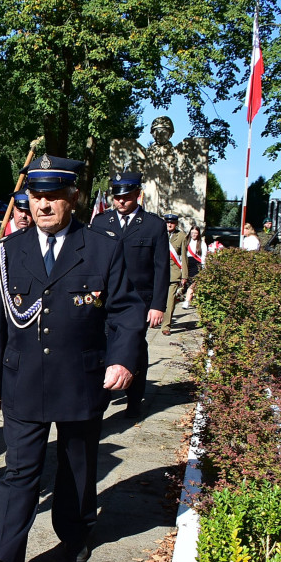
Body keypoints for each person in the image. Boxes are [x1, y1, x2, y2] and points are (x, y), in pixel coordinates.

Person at [0, 154, 144, 562]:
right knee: (19, 470)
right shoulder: (9, 250)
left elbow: (126, 310)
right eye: (35, 197)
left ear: (72, 198)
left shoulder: (102, 247)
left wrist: (123, 360)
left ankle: (75, 530)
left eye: (52, 197)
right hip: (23, 379)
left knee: (76, 465)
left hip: (81, 377)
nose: (42, 205)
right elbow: (0, 322)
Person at [90, 172, 167, 419]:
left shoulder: (154, 225)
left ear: (137, 194)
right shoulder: (101, 223)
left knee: (134, 349)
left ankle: (134, 401)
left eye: (126, 196)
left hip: (139, 302)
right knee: (100, 348)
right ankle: (99, 399)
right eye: (117, 196)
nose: (121, 201)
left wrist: (158, 305)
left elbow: (161, 268)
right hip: (105, 299)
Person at [161, 214, 188, 335]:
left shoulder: (181, 236)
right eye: (167, 222)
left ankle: (166, 326)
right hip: (159, 273)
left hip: (173, 274)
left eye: (172, 223)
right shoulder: (159, 234)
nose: (169, 225)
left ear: (176, 224)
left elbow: (183, 257)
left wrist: (184, 276)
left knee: (170, 301)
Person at [183, 224, 207, 309]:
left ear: (198, 234)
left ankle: (187, 301)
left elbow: (204, 255)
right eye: (192, 233)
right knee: (188, 283)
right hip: (188, 264)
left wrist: (203, 267)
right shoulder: (186, 241)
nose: (194, 235)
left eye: (195, 233)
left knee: (193, 284)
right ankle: (191, 298)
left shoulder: (202, 243)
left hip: (197, 264)